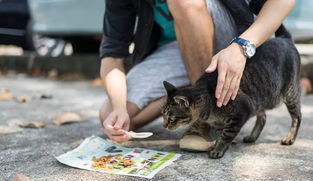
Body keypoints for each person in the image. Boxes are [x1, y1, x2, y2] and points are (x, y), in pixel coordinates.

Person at [99, 0, 295, 151]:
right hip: (180, 49)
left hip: (242, 38)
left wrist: (241, 47)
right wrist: (119, 107)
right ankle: (194, 90)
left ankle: (206, 118)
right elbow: (111, 59)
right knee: (112, 117)